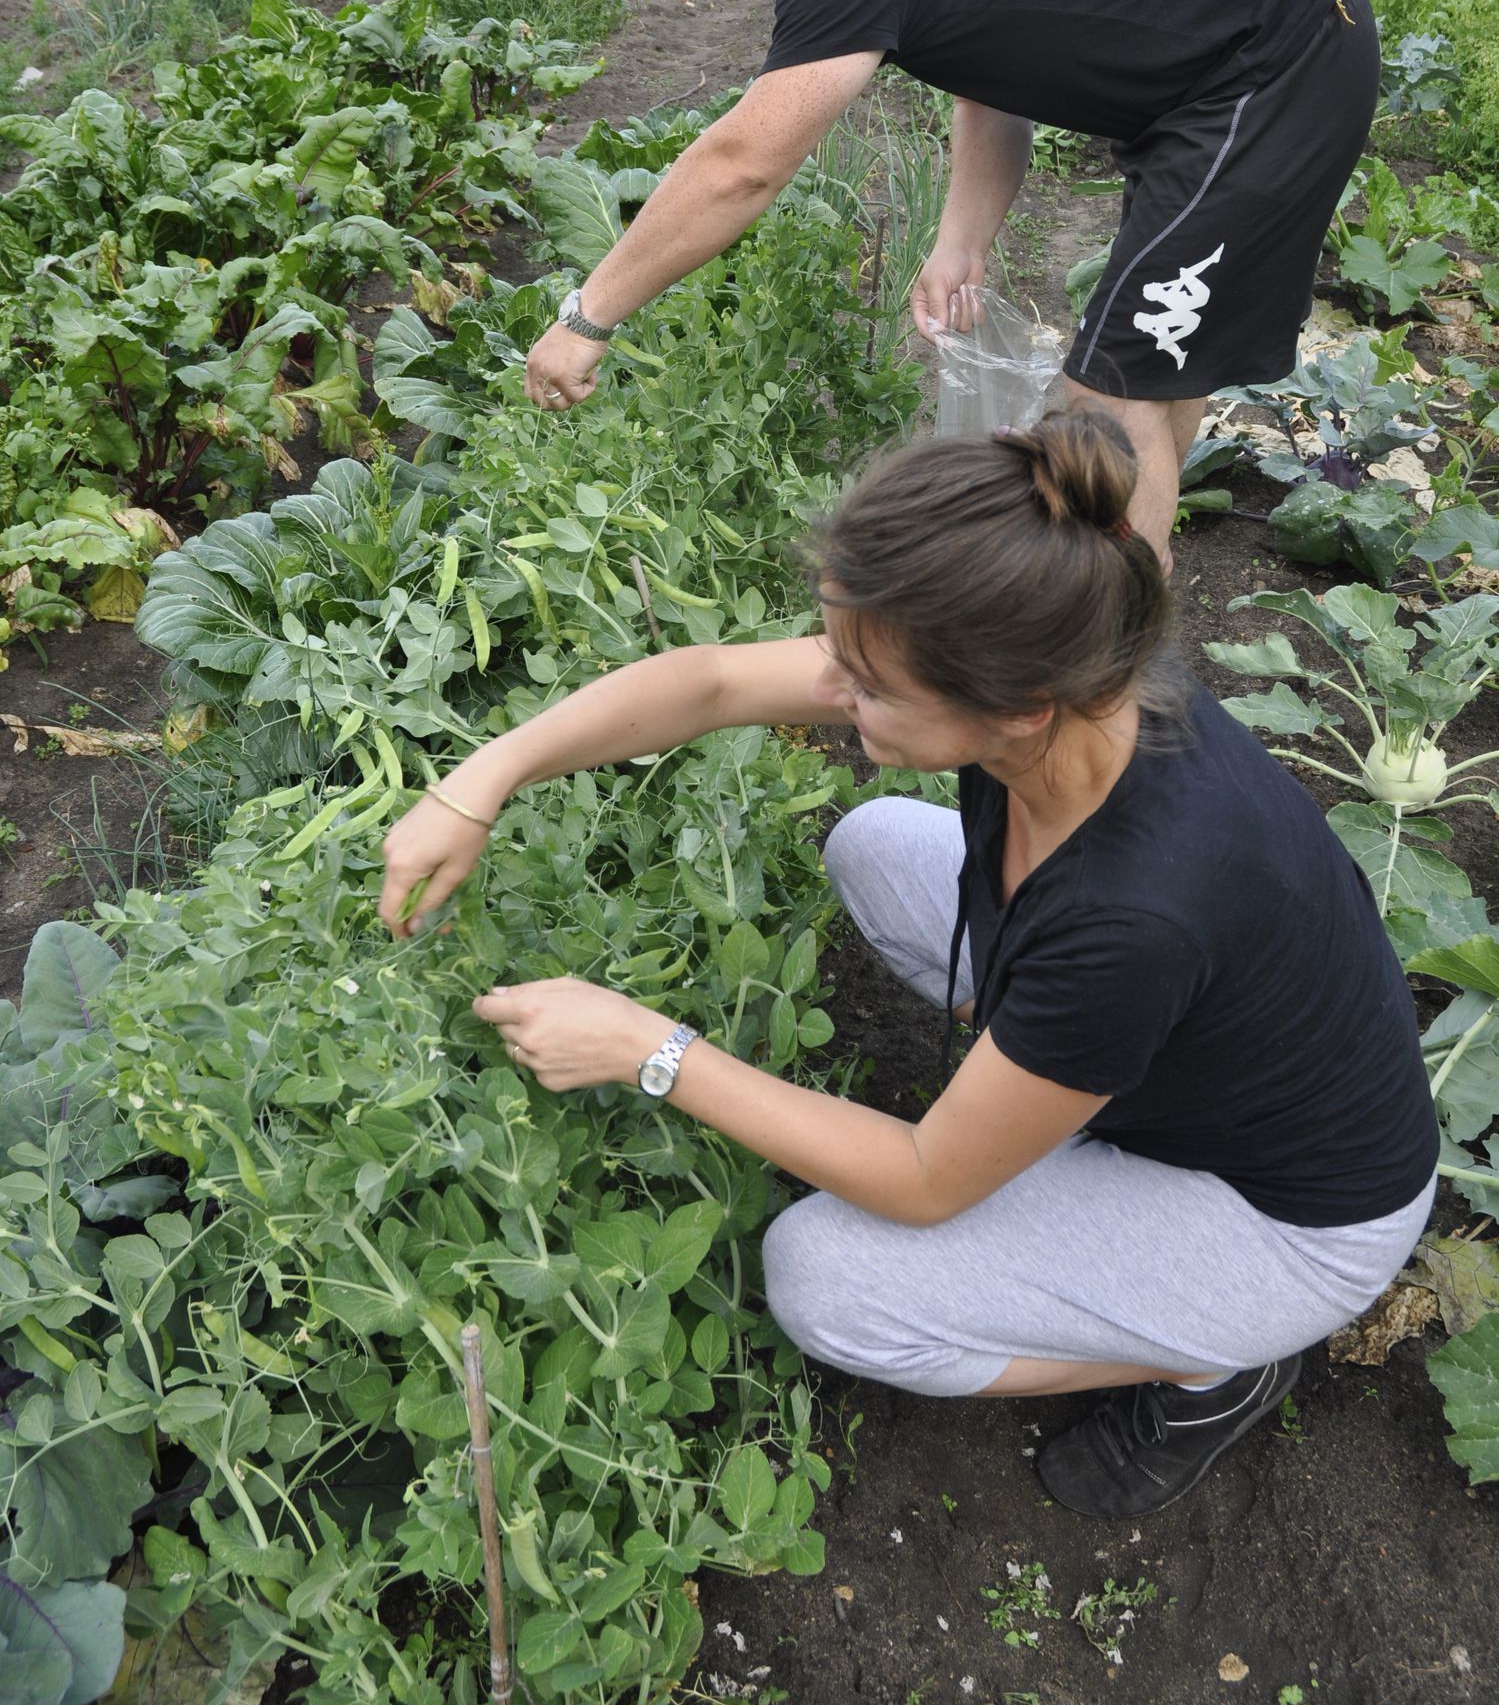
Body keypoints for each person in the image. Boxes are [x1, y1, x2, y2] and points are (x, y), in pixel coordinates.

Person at [378, 413, 1440, 1520]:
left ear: (1018, 710)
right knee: (876, 844)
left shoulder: (1137, 916)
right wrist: (482, 781)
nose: (835, 694)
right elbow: (714, 684)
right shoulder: (1075, 670)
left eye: (871, 687)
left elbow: (925, 1182)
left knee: (825, 1281)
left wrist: (652, 1049)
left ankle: (1211, 1365)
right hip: (1190, 1062)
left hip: (1285, 1222)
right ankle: (1044, 1104)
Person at [520, 0, 1380, 573]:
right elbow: (993, 59)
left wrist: (586, 318)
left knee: (1105, 405)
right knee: (1149, 373)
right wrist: (963, 238)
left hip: (1271, 68)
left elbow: (741, 164)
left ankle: (1119, 652)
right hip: (1219, 78)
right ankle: (1134, 602)